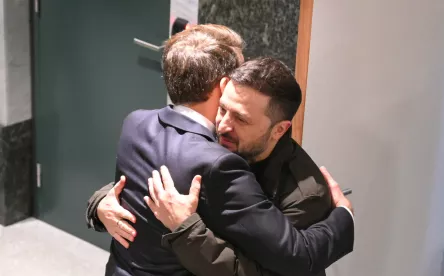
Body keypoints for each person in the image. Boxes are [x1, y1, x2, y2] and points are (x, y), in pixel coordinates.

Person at [86, 24, 354, 276]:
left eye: (240, 117)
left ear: (279, 129)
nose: (225, 124)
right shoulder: (217, 156)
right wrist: (101, 203)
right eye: (225, 108)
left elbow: (292, 261)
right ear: (223, 86)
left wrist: (343, 215)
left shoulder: (137, 121)